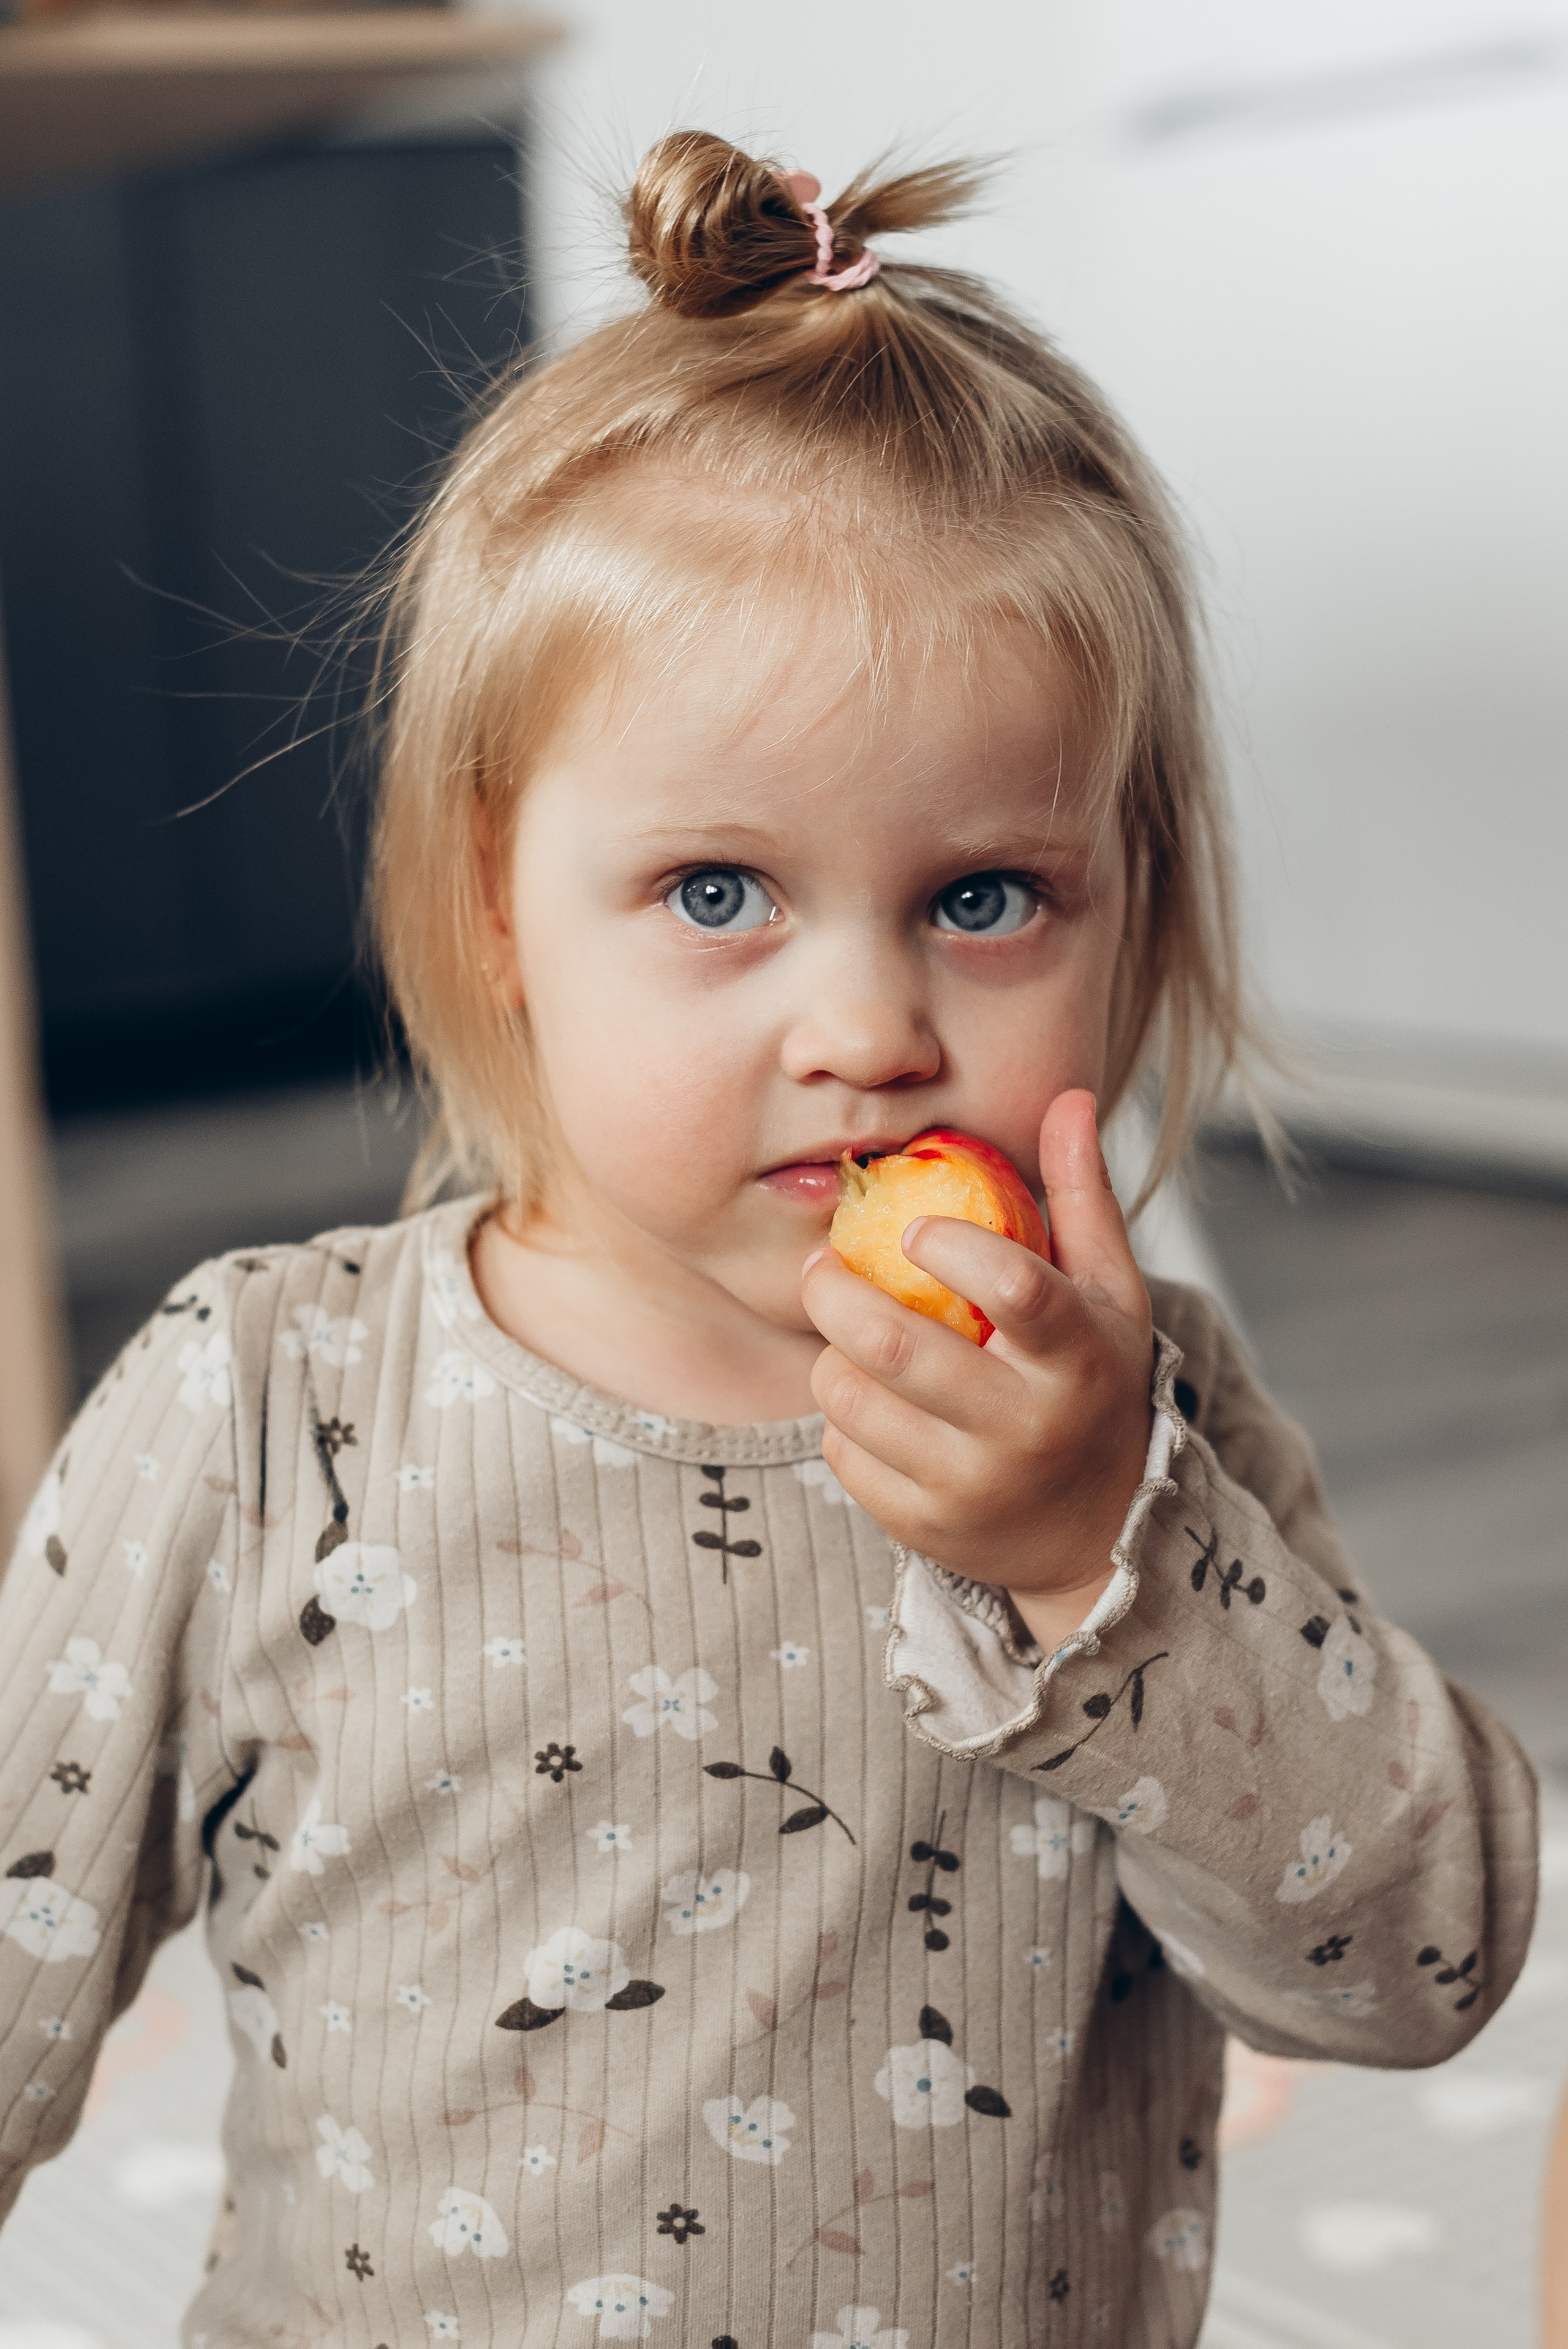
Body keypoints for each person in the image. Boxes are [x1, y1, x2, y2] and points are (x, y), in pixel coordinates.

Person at [0, 132, 1538, 2348]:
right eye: (719, 893)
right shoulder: (268, 1416)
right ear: (494, 909)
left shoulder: (1146, 1427)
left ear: (1136, 921)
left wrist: (1099, 1555)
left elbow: (1420, 1970)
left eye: (982, 897)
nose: (871, 1029)